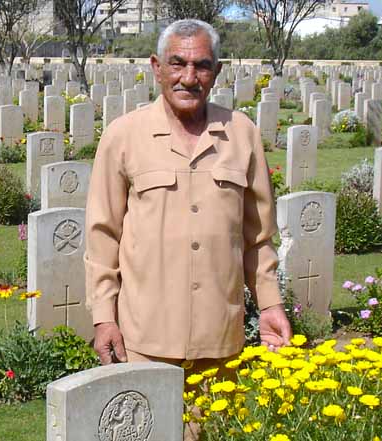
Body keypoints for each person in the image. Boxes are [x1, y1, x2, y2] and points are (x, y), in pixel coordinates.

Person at [84, 17, 293, 388]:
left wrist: (271, 304)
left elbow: (258, 236)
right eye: (178, 63)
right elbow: (103, 238)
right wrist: (104, 317)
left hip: (221, 338)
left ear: (217, 71)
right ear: (157, 68)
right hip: (145, 337)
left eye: (202, 65)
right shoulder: (124, 136)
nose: (189, 77)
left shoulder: (242, 134)